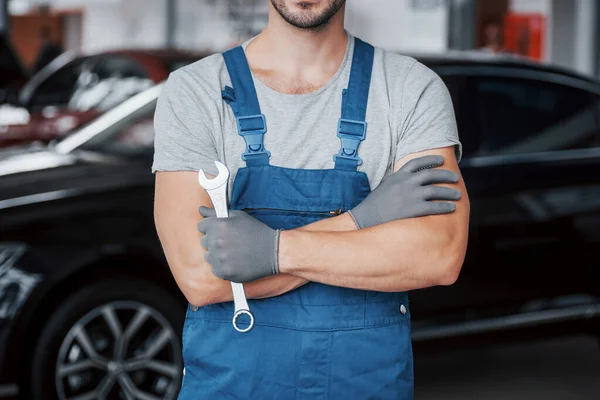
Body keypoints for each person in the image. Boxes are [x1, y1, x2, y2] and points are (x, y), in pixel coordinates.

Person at [153, 0, 470, 398]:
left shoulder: (410, 89)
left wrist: (270, 251)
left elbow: (437, 255)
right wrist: (364, 219)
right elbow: (202, 278)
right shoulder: (195, 92)